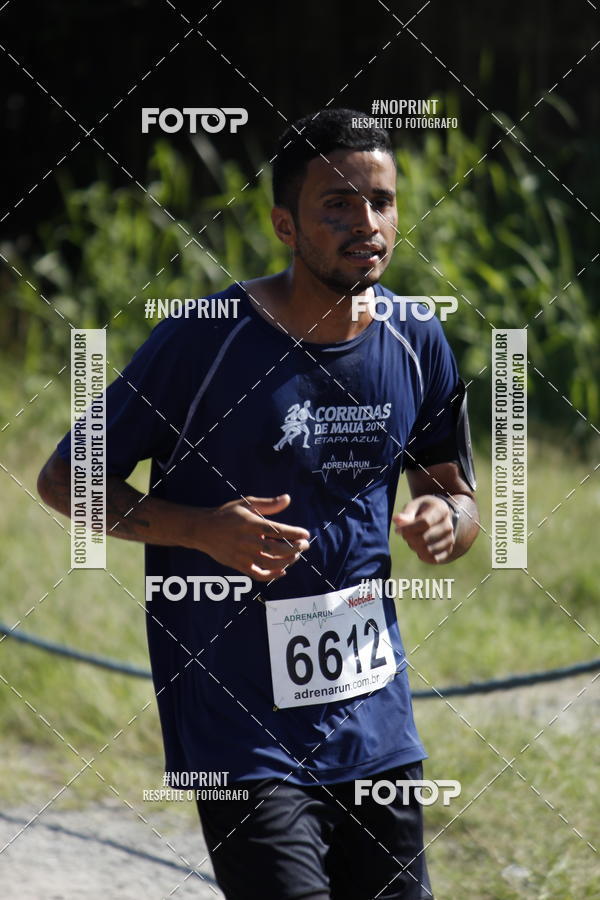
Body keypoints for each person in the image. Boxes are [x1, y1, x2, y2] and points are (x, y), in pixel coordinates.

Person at [38, 108, 479, 900]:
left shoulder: (418, 339)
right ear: (285, 225)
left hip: (374, 724)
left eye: (381, 201)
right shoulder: (204, 342)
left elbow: (456, 495)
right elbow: (65, 478)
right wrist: (200, 530)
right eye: (337, 204)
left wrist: (447, 521)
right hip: (238, 729)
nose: (367, 223)